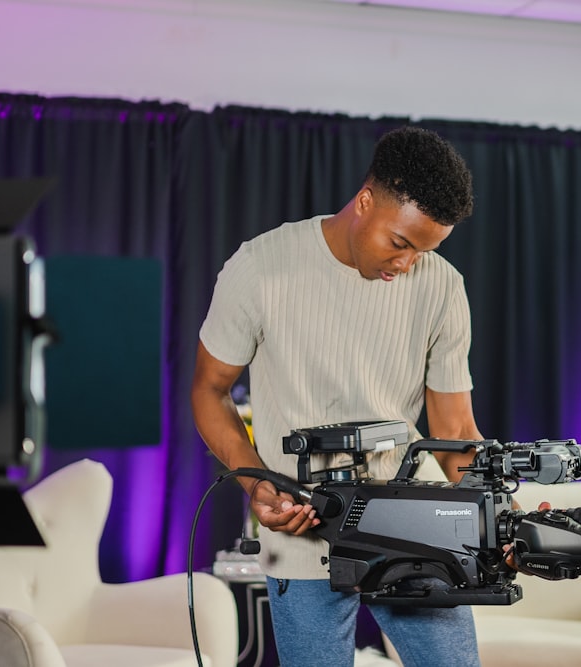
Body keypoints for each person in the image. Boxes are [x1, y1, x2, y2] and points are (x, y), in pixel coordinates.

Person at [191, 126, 485, 666]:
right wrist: (256, 482)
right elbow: (209, 390)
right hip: (303, 525)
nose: (408, 264)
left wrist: (497, 513)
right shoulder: (261, 268)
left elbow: (455, 432)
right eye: (400, 243)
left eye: (425, 250)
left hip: (410, 527)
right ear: (365, 201)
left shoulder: (443, 287)